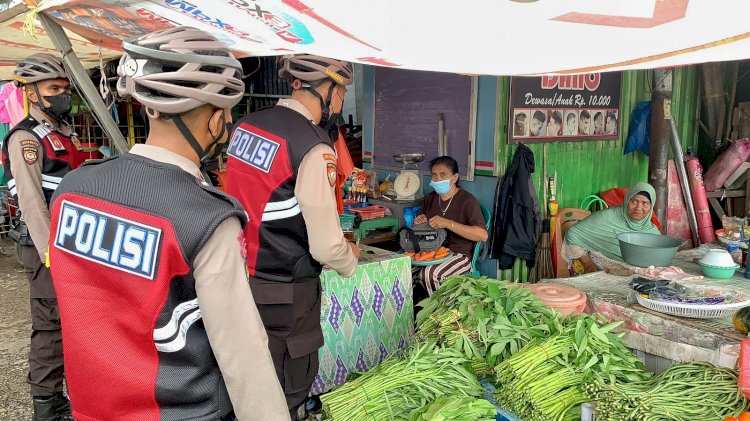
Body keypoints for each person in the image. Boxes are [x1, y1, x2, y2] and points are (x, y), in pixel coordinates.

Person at [47, 27, 289, 421]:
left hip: (91, 408)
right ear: (216, 120)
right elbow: (242, 356)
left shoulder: (73, 189)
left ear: (150, 107)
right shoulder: (205, 218)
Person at [224, 54, 360, 420]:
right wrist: (350, 259)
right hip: (287, 290)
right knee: (288, 386)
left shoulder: (246, 126)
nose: (341, 101)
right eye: (342, 92)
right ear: (328, 90)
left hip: (238, 275)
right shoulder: (313, 145)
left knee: (248, 377)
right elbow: (327, 245)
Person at [2, 53, 88, 421]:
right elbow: (32, 200)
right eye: (54, 89)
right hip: (47, 249)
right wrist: (50, 251)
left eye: (64, 89)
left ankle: (64, 398)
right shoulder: (26, 137)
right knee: (50, 326)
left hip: (72, 244)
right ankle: (47, 408)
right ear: (32, 93)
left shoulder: (63, 132)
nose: (61, 96)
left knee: (73, 323)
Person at [413, 156, 488, 295]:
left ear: (455, 177)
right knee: (404, 270)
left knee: (429, 275)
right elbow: (424, 223)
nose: (437, 179)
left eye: (443, 175)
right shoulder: (431, 198)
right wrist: (420, 220)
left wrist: (448, 223)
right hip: (433, 251)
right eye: (434, 175)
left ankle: (437, 314)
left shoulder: (467, 201)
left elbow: (482, 235)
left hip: (459, 255)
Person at [562, 182, 660, 274]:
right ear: (627, 201)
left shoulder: (652, 231)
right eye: (634, 201)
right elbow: (573, 233)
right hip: (605, 272)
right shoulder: (606, 217)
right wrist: (588, 264)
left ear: (651, 206)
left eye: (645, 203)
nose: (638, 208)